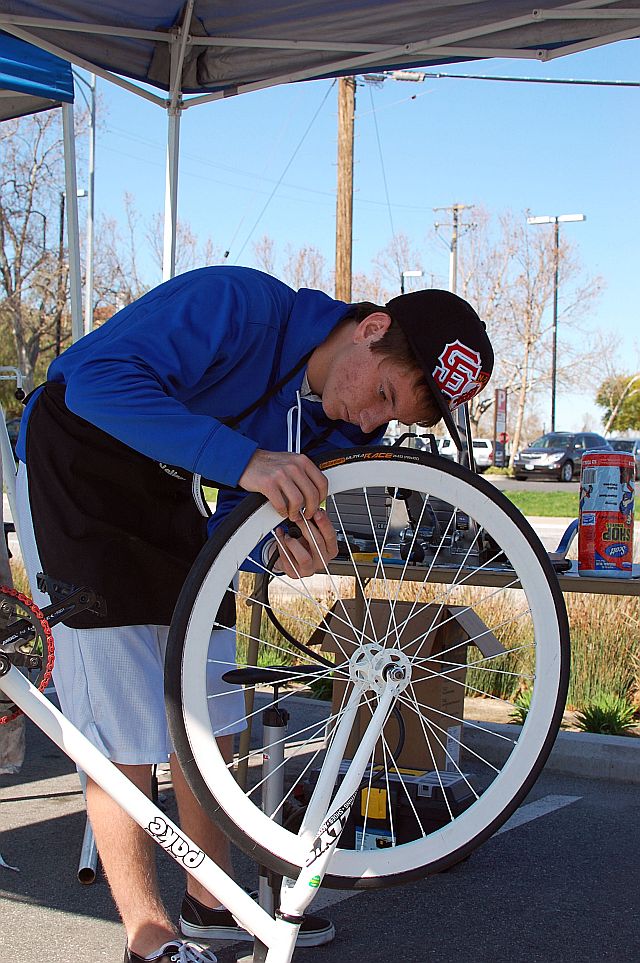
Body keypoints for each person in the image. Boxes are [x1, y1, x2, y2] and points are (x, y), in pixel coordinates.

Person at [15, 266, 493, 963]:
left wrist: (274, 547)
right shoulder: (236, 304)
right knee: (121, 722)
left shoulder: (328, 427)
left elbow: (238, 527)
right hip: (77, 454)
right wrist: (245, 461)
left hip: (167, 483)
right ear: (371, 328)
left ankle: (211, 901)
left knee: (206, 701)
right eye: (383, 393)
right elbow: (93, 382)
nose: (369, 421)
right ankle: (148, 939)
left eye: (393, 419)